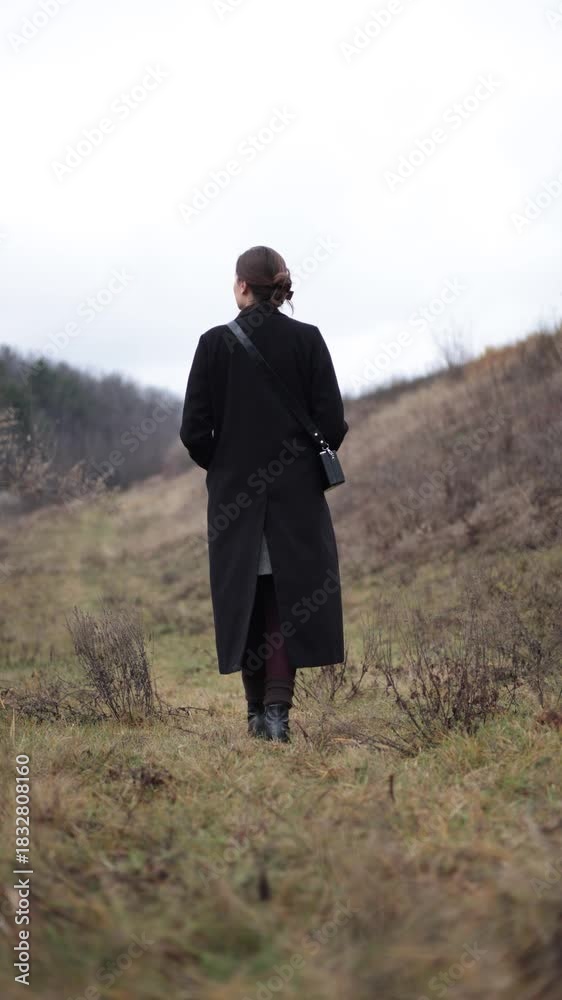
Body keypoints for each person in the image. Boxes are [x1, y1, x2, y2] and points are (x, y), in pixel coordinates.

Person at [180, 246, 348, 742]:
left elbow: (193, 432)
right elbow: (333, 422)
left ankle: (257, 714)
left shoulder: (213, 344)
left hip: (235, 499)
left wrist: (226, 468)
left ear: (242, 286)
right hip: (297, 497)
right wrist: (301, 469)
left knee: (246, 599)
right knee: (285, 600)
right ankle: (276, 715)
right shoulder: (307, 339)